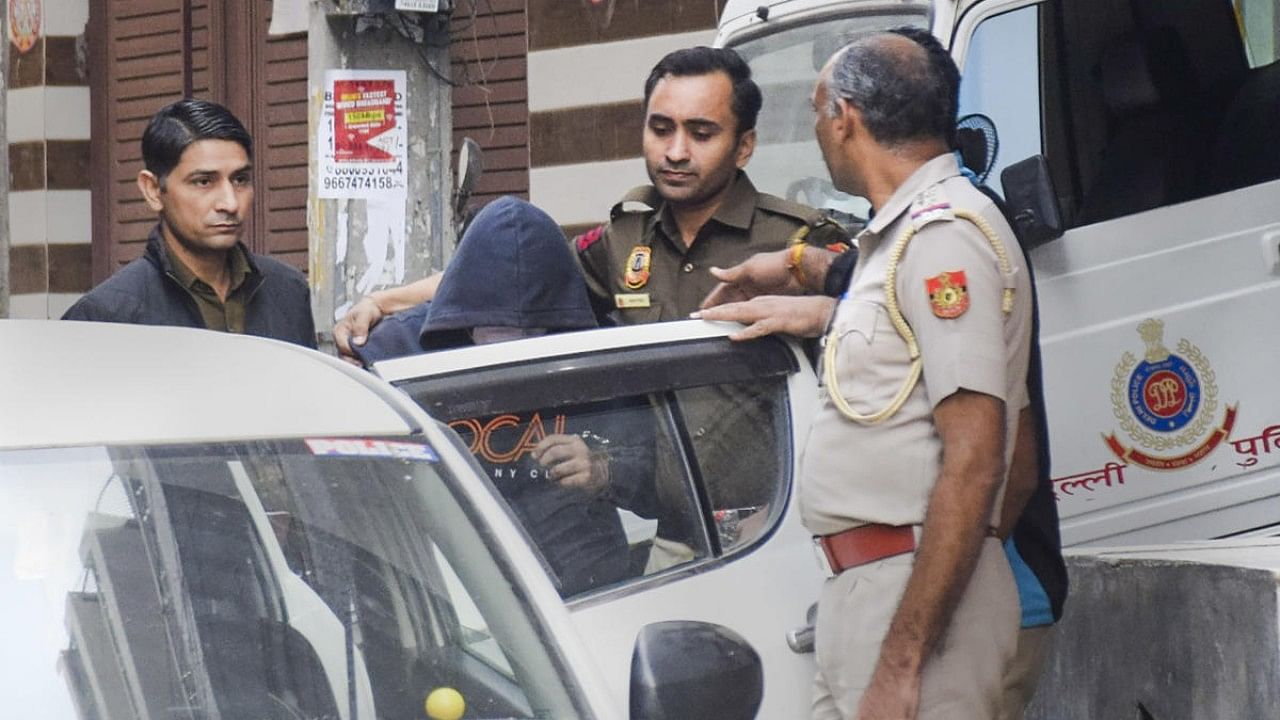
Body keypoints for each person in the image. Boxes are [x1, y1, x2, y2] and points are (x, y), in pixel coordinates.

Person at [701, 28, 1032, 719]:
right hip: (881, 590)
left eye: (818, 113)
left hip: (915, 596)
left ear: (843, 117)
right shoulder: (902, 239)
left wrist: (905, 658)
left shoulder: (943, 237)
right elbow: (1014, 444)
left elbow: (980, 460)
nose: (822, 132)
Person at [331, 46, 849, 358]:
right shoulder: (624, 240)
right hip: (666, 525)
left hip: (781, 514)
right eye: (661, 128)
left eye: (701, 133)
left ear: (744, 146)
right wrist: (381, 303)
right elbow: (495, 281)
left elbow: (882, 337)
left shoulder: (801, 242)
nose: (675, 151)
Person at [354, 195, 655, 597]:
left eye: (532, 335)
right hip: (456, 584)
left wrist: (603, 470)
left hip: (587, 583)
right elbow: (358, 490)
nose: (512, 347)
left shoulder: (593, 355)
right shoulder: (397, 355)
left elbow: (661, 477)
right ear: (461, 316)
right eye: (493, 333)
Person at [62, 99, 315, 348]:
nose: (230, 203)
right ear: (152, 190)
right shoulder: (106, 316)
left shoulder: (288, 292)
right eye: (204, 182)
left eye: (240, 180)